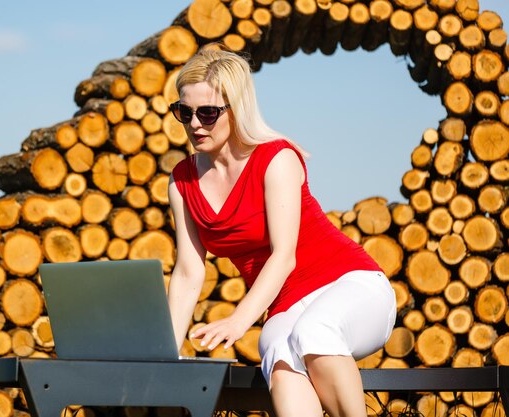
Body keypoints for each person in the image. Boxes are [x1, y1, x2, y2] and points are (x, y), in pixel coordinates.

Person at [167, 47, 397, 417]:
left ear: (236, 109)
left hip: (351, 285)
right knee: (275, 347)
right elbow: (189, 272)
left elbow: (283, 255)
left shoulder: (277, 158)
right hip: (288, 306)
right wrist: (165, 355)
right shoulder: (182, 182)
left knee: (313, 332)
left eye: (208, 113)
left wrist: (239, 320)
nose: (195, 124)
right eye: (185, 112)